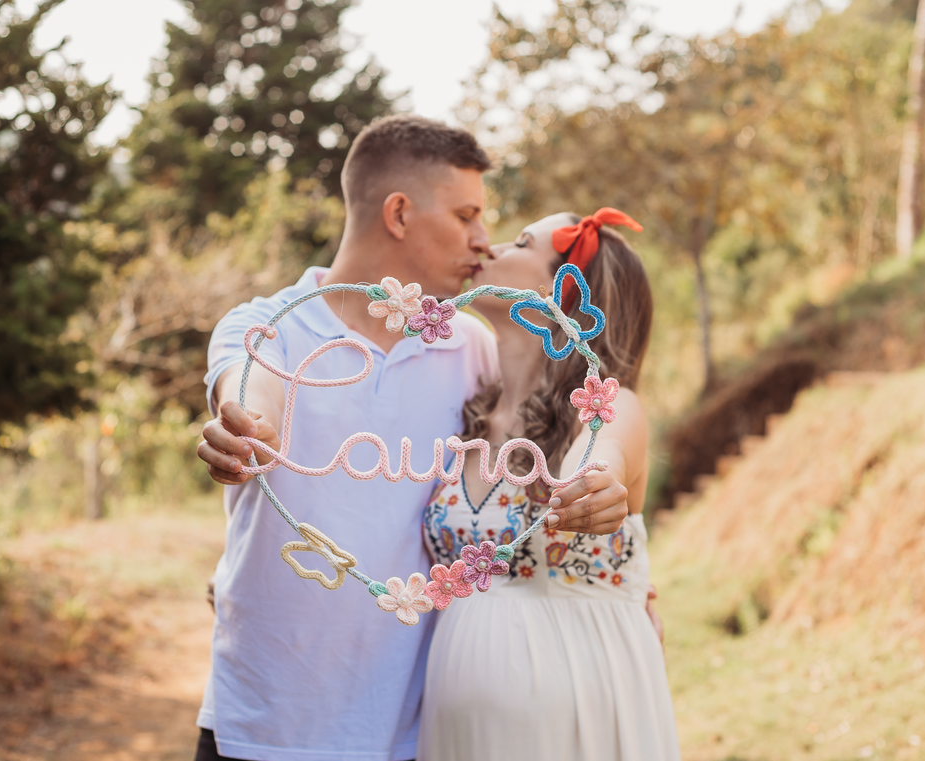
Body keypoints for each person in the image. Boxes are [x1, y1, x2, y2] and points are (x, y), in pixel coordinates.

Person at [194, 116, 632, 761]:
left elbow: (576, 442)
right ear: (398, 213)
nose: (482, 240)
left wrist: (627, 581)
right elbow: (250, 388)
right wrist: (245, 429)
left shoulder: (474, 351)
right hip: (259, 726)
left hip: (409, 733)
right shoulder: (267, 327)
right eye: (466, 215)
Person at [418, 209, 681, 760]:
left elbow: (602, 453)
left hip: (578, 701)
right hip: (458, 727)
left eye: (520, 243)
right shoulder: (464, 410)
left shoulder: (612, 407)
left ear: (560, 292)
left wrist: (596, 482)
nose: (489, 248)